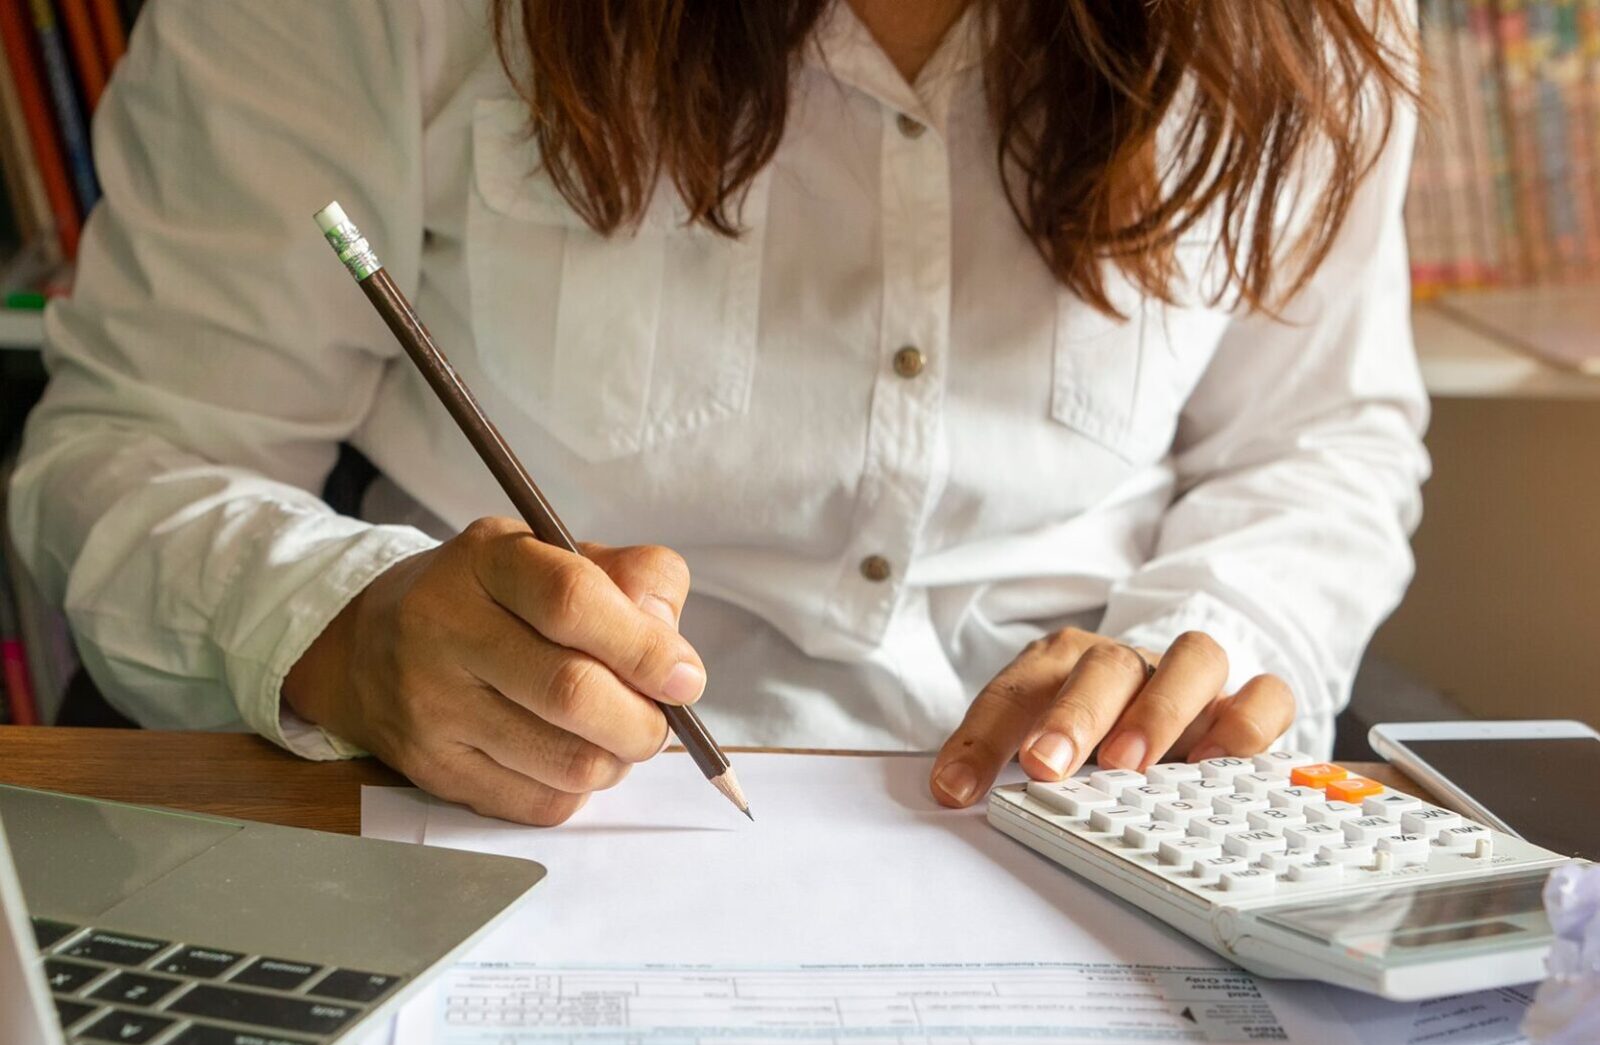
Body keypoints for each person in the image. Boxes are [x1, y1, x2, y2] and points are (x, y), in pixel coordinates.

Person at [10, 0, 1426, 826]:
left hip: (1096, 838)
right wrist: (339, 628)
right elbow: (135, 450)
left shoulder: (1313, 28)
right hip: (501, 835)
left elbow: (1318, 444)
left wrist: (1209, 650)